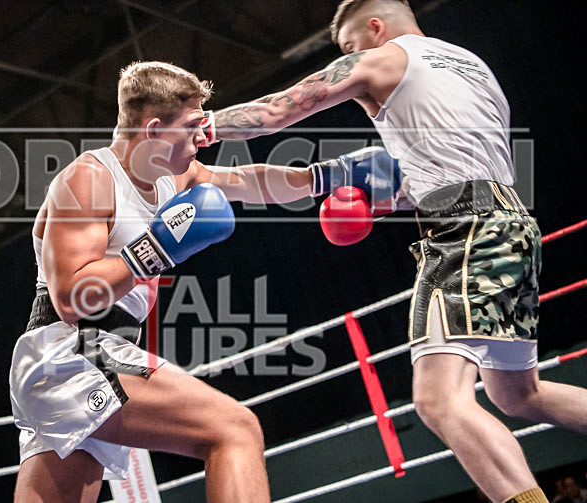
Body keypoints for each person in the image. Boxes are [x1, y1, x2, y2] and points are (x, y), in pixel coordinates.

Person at [198, 1, 587, 502]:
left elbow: (279, 110)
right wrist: (214, 179)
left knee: (439, 400)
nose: (348, 58)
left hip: (463, 230)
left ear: (375, 27)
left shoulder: (384, 58)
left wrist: (202, 126)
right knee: (518, 394)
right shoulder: (471, 67)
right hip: (512, 227)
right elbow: (411, 176)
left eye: (349, 46)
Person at [9, 60, 397, 503]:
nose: (203, 136)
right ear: (154, 130)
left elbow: (248, 183)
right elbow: (70, 299)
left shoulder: (173, 178)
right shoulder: (90, 178)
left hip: (96, 353)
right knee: (235, 429)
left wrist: (326, 176)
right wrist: (156, 248)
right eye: (192, 125)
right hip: (71, 350)